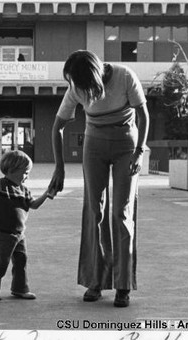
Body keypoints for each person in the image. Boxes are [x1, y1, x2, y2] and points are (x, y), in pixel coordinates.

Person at [48, 50, 149, 307]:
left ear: (93, 75)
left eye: (82, 83)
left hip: (127, 145)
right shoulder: (76, 87)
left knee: (121, 213)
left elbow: (143, 115)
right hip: (94, 145)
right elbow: (57, 127)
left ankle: (123, 285)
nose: (78, 89)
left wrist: (140, 152)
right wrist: (59, 168)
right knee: (95, 211)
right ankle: (96, 280)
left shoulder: (125, 76)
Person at [0, 150, 52, 301]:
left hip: (20, 234)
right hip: (3, 233)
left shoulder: (25, 190)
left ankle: (20, 289)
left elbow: (33, 205)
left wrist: (47, 194)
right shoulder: (1, 185)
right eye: (25, 172)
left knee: (21, 261)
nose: (27, 176)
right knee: (0, 262)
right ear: (11, 170)